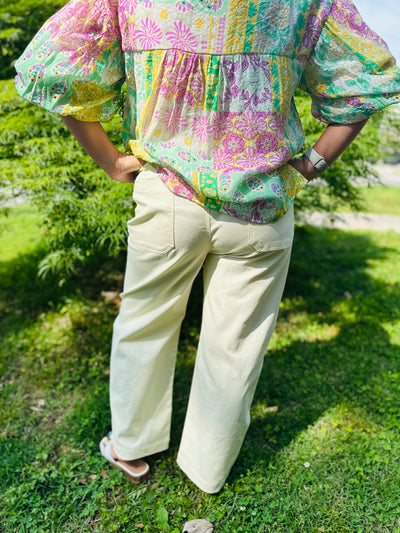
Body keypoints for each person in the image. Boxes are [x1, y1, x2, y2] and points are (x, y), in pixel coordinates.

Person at [15, 0, 400, 494]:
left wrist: (111, 161)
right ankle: (208, 469)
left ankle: (131, 447)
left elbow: (55, 69)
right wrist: (310, 166)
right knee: (236, 342)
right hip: (261, 203)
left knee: (144, 323)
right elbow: (365, 84)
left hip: (168, 195)